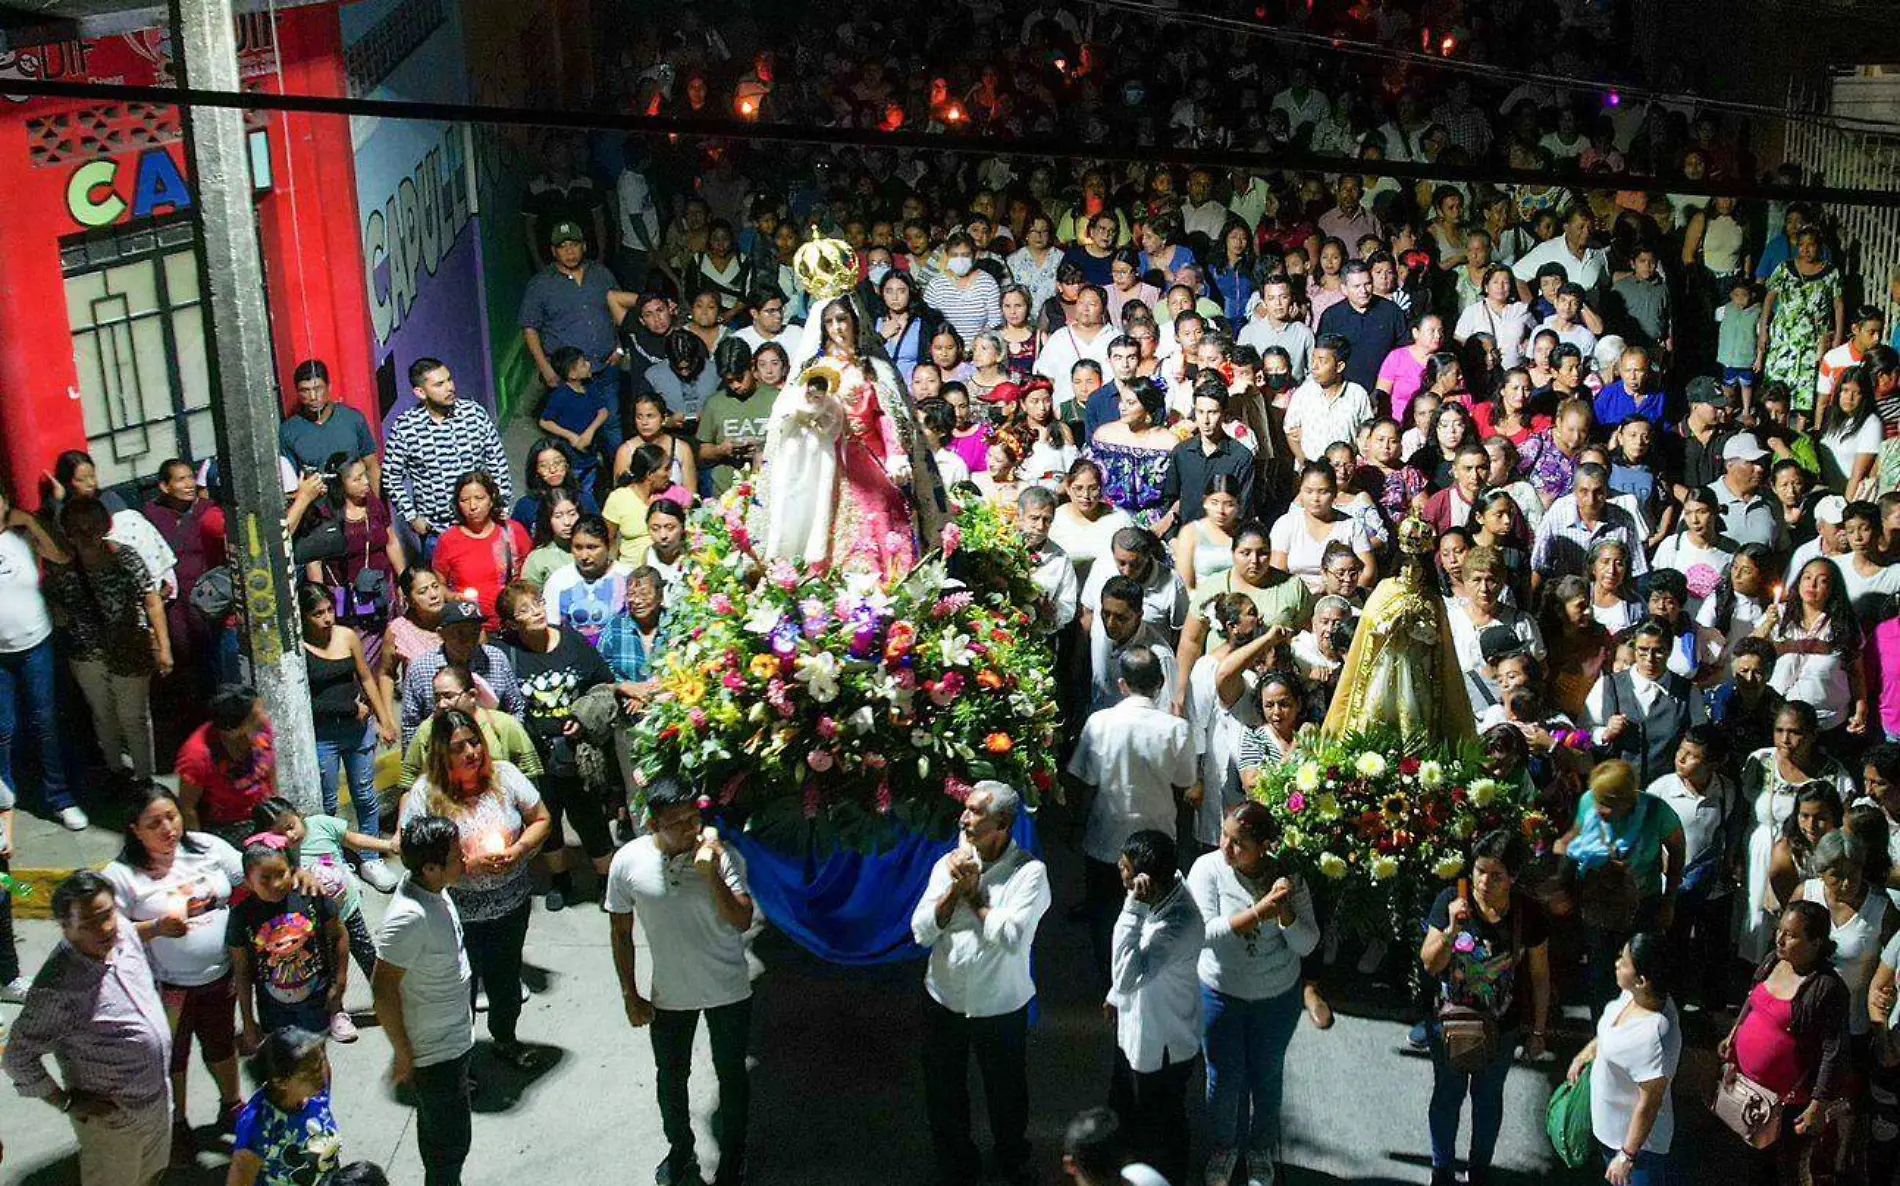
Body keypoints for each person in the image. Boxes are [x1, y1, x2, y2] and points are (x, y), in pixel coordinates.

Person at [606, 776, 756, 1186]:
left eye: (696, 817)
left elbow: (742, 919)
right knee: (671, 1075)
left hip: (728, 989)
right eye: (679, 823)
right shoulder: (628, 862)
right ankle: (679, 1148)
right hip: (670, 994)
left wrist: (711, 876)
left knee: (730, 1072)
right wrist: (629, 994)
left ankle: (734, 1152)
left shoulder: (722, 858)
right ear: (652, 824)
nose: (692, 829)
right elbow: (621, 932)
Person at [910, 781, 1051, 1186]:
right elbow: (920, 931)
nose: (964, 818)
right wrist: (954, 892)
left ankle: (1011, 1161)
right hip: (943, 999)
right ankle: (956, 1166)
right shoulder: (949, 866)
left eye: (974, 812)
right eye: (966, 809)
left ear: (1003, 823)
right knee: (944, 1092)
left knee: (1005, 1093)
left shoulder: (1029, 874)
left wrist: (975, 896)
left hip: (1000, 1007)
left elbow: (1011, 937)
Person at [397, 710, 551, 1069]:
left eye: (474, 741)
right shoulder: (425, 794)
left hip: (510, 904)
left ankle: (505, 1038)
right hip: (453, 913)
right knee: (457, 989)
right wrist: (464, 867)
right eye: (458, 747)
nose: (472, 752)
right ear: (440, 753)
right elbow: (410, 851)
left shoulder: (506, 777)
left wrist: (520, 849)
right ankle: (459, 1061)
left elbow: (541, 818)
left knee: (505, 978)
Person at [4, 870, 172, 1186]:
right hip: (114, 1121)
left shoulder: (121, 931)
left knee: (151, 1176)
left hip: (157, 1101)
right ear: (66, 930)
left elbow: (128, 930)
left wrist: (160, 926)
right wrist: (64, 1102)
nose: (106, 927)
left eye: (107, 914)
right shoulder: (57, 989)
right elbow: (17, 1057)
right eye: (89, 923)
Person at [101, 785, 244, 1149]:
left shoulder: (207, 848)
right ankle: (176, 1122)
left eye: (172, 816)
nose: (168, 829)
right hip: (167, 986)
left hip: (218, 974)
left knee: (222, 1043)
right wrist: (155, 929)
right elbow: (104, 931)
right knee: (172, 1055)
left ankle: (231, 1105)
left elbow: (250, 874)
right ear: (134, 828)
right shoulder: (121, 875)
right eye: (154, 823)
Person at [1188, 801, 1319, 1186]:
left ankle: (1261, 1149)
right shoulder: (1207, 869)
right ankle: (1224, 1147)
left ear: (1264, 847)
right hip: (1220, 993)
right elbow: (1203, 932)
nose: (1225, 847)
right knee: (1224, 1078)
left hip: (1275, 998)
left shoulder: (1289, 877)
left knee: (1266, 1075)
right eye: (1225, 836)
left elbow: (1308, 943)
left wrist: (1286, 915)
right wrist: (1256, 914)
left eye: (1238, 843)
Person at [1419, 830, 1552, 1186]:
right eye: (1479, 871)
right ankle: (1441, 1169)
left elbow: (1540, 976)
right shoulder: (1451, 899)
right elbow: (1430, 963)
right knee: (1447, 1095)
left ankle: (1479, 1170)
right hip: (1450, 1023)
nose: (1484, 882)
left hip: (1500, 1027)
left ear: (1513, 877)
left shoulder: (1528, 914)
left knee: (1488, 1099)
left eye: (1496, 875)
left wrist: (1538, 1031)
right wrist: (1449, 930)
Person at [495, 582, 622, 910]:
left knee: (590, 817)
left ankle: (606, 881)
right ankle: (560, 881)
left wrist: (584, 717)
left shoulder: (573, 642)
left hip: (578, 751)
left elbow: (603, 684)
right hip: (534, 755)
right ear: (510, 623)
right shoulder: (505, 652)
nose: (535, 611)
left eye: (537, 603)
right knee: (544, 820)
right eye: (523, 610)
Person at [1070, 650, 1196, 980]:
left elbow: (1085, 779)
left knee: (1105, 915)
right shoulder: (1176, 729)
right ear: (1160, 683)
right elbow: (1184, 781)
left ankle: (1108, 981)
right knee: (1155, 916)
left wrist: (1075, 825)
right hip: (1157, 842)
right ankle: (1146, 979)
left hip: (1105, 836)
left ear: (1122, 684)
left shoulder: (1099, 723)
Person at [373, 816, 474, 1186]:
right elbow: (382, 989)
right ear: (431, 867)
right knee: (449, 1147)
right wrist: (403, 1053)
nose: (464, 859)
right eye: (456, 856)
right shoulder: (408, 917)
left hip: (453, 1038)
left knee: (441, 1139)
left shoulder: (433, 889)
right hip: (435, 1054)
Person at [44, 495, 169, 790]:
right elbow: (53, 603)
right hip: (86, 652)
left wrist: (164, 647)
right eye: (77, 529)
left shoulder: (125, 557)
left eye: (92, 527)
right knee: (103, 714)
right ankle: (116, 770)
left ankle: (144, 778)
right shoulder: (61, 569)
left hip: (129, 646)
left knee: (134, 716)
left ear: (105, 526)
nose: (86, 535)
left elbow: (152, 602)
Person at [1721, 900, 1851, 1182]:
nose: (1779, 939)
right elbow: (1752, 1000)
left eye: (1791, 935)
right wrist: (1734, 1034)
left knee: (1782, 1169)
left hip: (1787, 1103)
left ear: (1816, 943)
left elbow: (1833, 1050)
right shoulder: (1773, 961)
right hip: (1749, 1091)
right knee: (1749, 1160)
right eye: (1780, 931)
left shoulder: (1827, 988)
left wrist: (1818, 1104)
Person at [1105, 829, 1203, 1186]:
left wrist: (1131, 908)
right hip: (1135, 1031)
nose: (1119, 868)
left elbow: (1129, 976)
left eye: (1125, 867)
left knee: (1161, 1129)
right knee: (1125, 1113)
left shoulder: (1177, 924)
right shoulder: (1163, 890)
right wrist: (1115, 997)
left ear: (1145, 881)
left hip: (1162, 1047)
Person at [1554, 761, 1686, 1007]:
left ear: (1627, 799)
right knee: (1601, 974)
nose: (1598, 808)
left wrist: (1669, 901)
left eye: (1606, 803)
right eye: (1597, 799)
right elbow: (1573, 837)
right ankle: (1601, 1033)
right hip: (1598, 906)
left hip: (1642, 907)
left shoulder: (1657, 812)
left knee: (1639, 971)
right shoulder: (1588, 802)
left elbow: (1677, 852)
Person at [296, 582, 398, 891]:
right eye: (318, 614)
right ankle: (334, 860)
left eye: (329, 610)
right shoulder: (298, 647)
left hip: (358, 730)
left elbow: (366, 677)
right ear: (303, 617)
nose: (327, 619)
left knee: (365, 796)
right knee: (327, 803)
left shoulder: (347, 636)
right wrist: (346, 708)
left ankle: (370, 856)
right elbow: (302, 699)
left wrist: (384, 718)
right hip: (324, 733)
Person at [1567, 934, 1682, 1186]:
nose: (1617, 963)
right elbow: (1609, 1033)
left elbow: (1649, 1103)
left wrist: (1627, 1156)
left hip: (1639, 1153)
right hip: (1611, 1137)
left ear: (1642, 980)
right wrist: (1584, 1055)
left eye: (1624, 961)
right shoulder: (1632, 996)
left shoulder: (1654, 1034)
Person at [0, 477, 79, 827]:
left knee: (45, 723)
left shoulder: (22, 536)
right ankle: (5, 799)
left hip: (36, 644)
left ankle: (59, 797)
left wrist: (31, 521)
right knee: (3, 727)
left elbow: (61, 555)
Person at [383, 359, 512, 561]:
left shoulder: (474, 414)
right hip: (438, 532)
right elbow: (391, 477)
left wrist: (502, 504)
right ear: (420, 392)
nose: (450, 387)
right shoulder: (406, 428)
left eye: (449, 380)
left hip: (481, 525)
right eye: (439, 384)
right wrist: (411, 516)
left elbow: (497, 462)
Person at [225, 837, 348, 1049]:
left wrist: (339, 982)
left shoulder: (311, 896)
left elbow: (339, 935)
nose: (276, 884)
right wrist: (247, 1019)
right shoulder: (242, 916)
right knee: (282, 1063)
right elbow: (242, 970)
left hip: (316, 999)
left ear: (291, 870)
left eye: (281, 874)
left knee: (316, 1054)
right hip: (272, 1008)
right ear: (248, 881)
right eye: (264, 879)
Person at [227, 1026, 340, 1186]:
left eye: (321, 1062)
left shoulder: (316, 1093)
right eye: (308, 1074)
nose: (321, 1075)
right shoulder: (258, 1125)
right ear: (281, 1082)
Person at [398, 599, 526, 740]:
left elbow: (516, 708)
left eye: (474, 631)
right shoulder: (420, 669)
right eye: (460, 632)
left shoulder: (496, 658)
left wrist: (508, 741)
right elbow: (410, 725)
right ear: (441, 633)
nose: (468, 639)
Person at [174, 685, 278, 844]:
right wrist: (202, 851)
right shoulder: (196, 756)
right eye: (256, 717)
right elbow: (188, 808)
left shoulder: (261, 728)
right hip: (230, 827)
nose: (265, 719)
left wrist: (279, 808)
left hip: (265, 812)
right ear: (232, 730)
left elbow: (271, 771)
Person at [431, 471, 531, 633]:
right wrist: (454, 597)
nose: (472, 506)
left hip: (514, 624)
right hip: (470, 628)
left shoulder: (513, 532)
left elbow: (530, 577)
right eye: (464, 500)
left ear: (491, 500)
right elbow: (439, 586)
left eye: (479, 498)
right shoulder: (448, 540)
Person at [278, 359, 379, 491]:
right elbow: (290, 485)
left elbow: (372, 467)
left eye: (318, 388)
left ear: (329, 387)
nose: (313, 396)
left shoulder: (352, 419)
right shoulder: (288, 431)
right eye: (305, 390)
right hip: (319, 508)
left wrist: (380, 507)